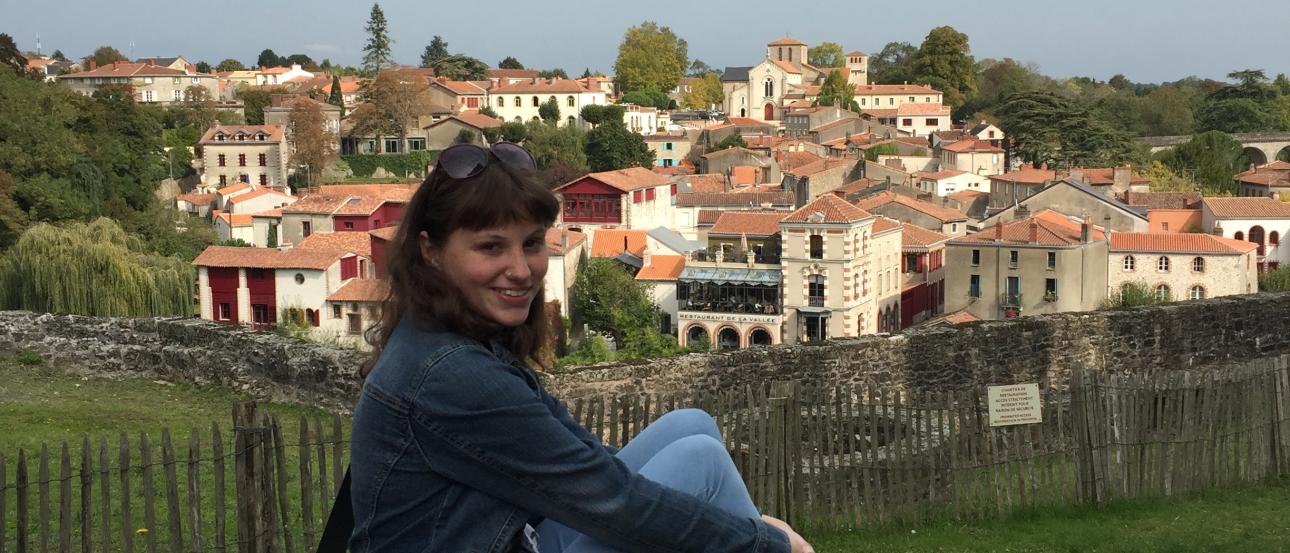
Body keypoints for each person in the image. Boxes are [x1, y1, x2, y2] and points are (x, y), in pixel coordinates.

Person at [348, 142, 815, 553]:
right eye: (491, 248)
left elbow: (584, 459)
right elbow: (614, 502)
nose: (520, 269)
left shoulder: (456, 337)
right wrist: (763, 541)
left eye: (531, 244)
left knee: (692, 425)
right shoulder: (451, 372)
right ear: (431, 252)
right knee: (702, 462)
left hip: (517, 536)